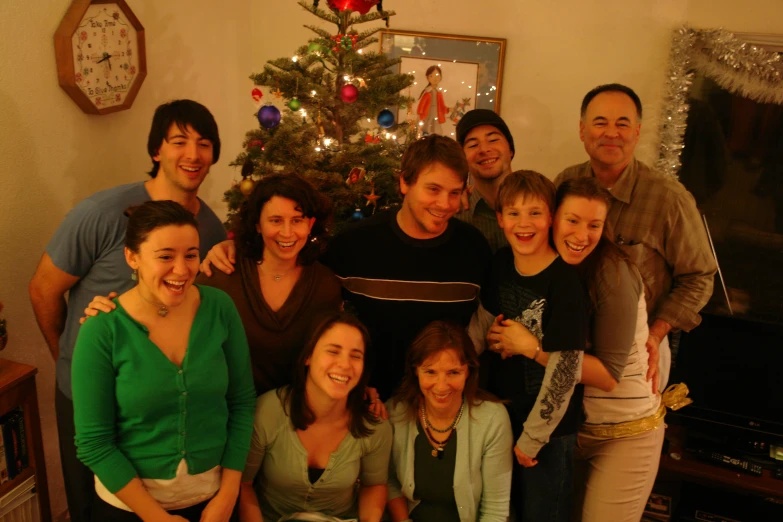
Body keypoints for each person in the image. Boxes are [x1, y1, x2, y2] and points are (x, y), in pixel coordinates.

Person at [28, 99, 227, 522]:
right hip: (90, 394)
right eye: (179, 141)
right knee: (93, 507)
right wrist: (70, 357)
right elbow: (43, 290)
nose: (193, 154)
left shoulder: (210, 229)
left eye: (204, 144)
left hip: (157, 402)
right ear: (156, 150)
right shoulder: (100, 214)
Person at [200, 135, 492, 401]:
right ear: (404, 183)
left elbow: (487, 323)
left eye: (455, 193)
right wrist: (235, 247)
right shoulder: (355, 244)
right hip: (371, 402)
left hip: (445, 401)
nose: (445, 203)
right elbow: (289, 256)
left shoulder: (474, 249)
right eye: (433, 189)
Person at [494, 177, 666, 521]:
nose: (582, 235)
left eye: (595, 225)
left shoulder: (613, 272)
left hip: (622, 429)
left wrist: (531, 349)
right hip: (570, 427)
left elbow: (607, 376)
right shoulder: (547, 266)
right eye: (572, 220)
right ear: (554, 218)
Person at [71, 200, 256, 522]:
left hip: (214, 503)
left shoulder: (220, 308)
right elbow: (93, 443)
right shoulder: (102, 329)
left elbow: (241, 402)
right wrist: (156, 517)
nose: (182, 270)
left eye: (191, 254)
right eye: (165, 256)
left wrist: (228, 494)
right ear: (133, 257)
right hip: (130, 509)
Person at [555, 83, 717, 393]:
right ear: (582, 130)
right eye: (600, 122)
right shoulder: (565, 183)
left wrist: (655, 334)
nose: (611, 133)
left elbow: (700, 277)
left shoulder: (669, 199)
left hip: (638, 354)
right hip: (568, 347)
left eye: (622, 124)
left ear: (638, 132)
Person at [482, 170, 589, 522]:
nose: (523, 223)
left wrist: (534, 437)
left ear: (551, 219)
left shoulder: (565, 282)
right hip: (501, 416)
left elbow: (566, 370)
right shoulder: (499, 263)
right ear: (500, 219)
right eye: (513, 213)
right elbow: (484, 322)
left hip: (549, 432)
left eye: (535, 213)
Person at [238, 311, 391, 522]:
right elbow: (243, 484)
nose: (345, 365)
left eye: (356, 356)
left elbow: (373, 485)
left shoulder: (374, 423)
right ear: (308, 356)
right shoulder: (268, 411)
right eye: (333, 351)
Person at [199, 173, 341, 394]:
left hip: (292, 416)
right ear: (257, 224)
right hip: (225, 410)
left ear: (311, 224)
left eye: (297, 220)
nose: (287, 232)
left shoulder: (326, 286)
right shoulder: (222, 274)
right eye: (275, 220)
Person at [386, 321, 513, 522]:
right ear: (415, 371)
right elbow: (389, 480)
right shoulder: (394, 413)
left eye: (453, 372)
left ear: (468, 371)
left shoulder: (493, 419)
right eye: (430, 372)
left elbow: (495, 511)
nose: (441, 386)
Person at [455, 109, 516, 252]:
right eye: (472, 145)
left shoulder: (542, 201)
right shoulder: (456, 213)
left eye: (493, 140)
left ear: (510, 150)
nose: (484, 149)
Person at [416, 65, 447, 136]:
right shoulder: (427, 92)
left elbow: (442, 106)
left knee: (436, 130)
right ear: (427, 77)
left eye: (437, 76)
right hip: (428, 114)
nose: (435, 79)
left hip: (437, 114)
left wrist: (448, 109)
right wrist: (420, 114)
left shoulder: (439, 92)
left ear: (440, 77)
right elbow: (422, 105)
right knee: (427, 129)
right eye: (431, 76)